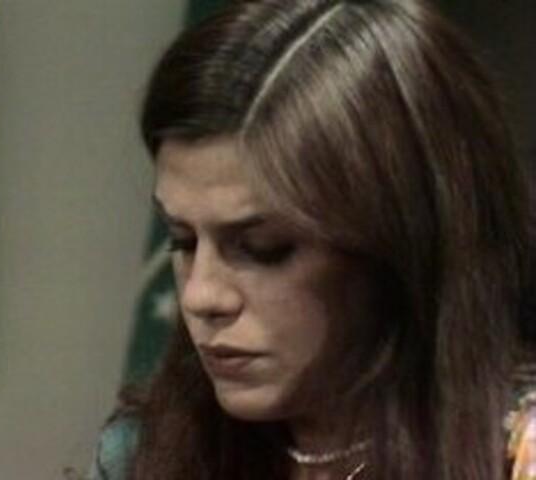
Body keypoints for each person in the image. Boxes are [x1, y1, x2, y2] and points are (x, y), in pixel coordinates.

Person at [90, 0, 536, 478]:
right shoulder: (138, 453)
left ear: (403, 244)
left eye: (264, 249)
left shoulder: (519, 456)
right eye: (182, 241)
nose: (200, 297)